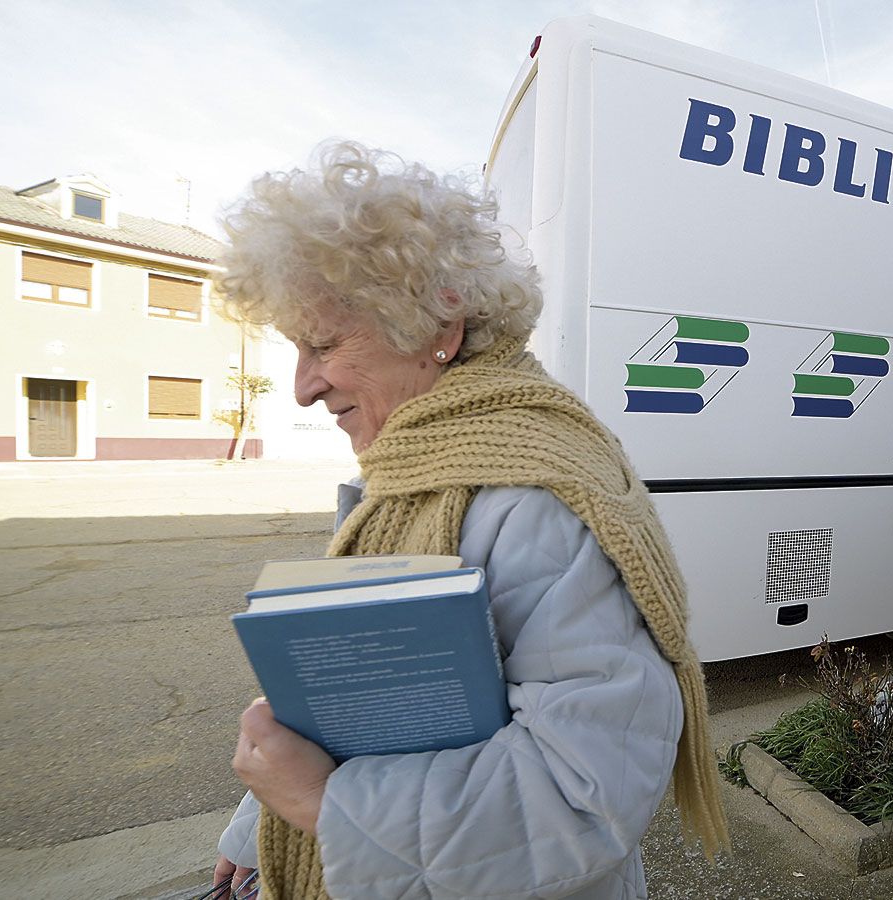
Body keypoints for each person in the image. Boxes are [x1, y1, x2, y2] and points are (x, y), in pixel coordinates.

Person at [209, 141, 729, 899]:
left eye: (323, 344)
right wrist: (259, 824)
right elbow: (367, 710)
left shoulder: (532, 497)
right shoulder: (419, 467)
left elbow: (585, 793)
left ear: (437, 326)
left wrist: (325, 809)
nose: (301, 387)